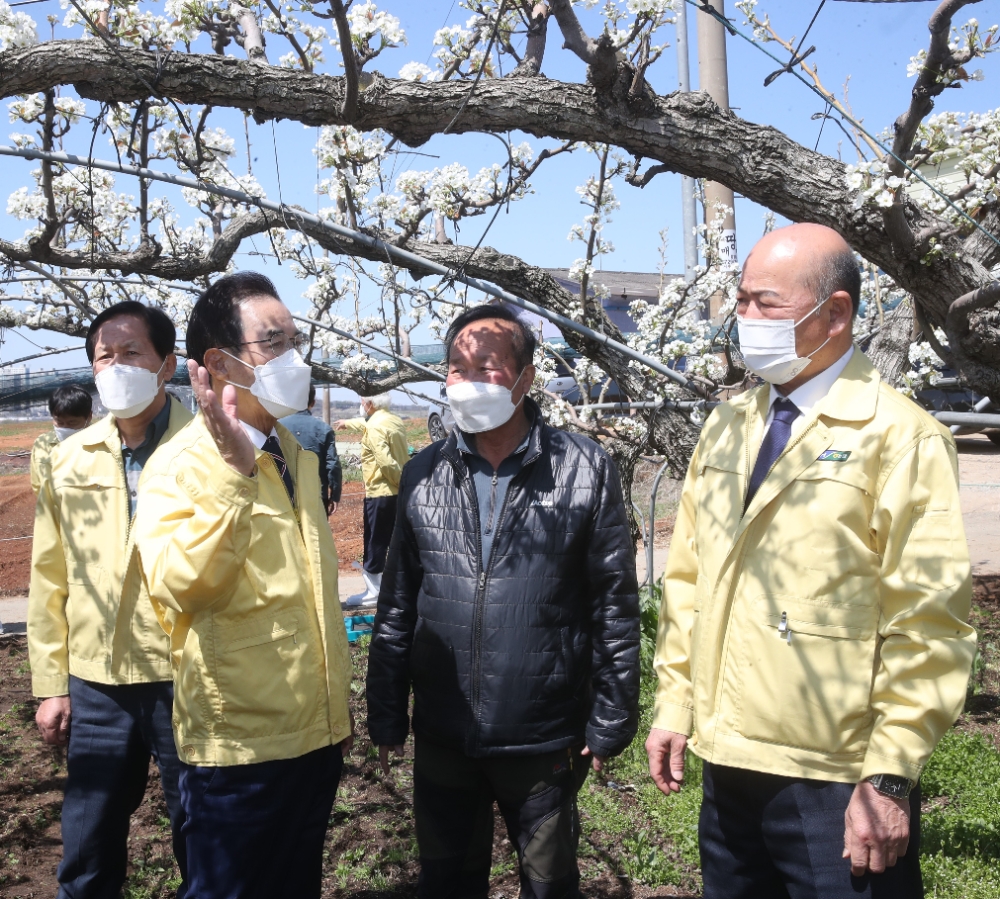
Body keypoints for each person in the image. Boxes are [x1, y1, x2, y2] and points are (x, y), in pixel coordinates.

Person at [645, 223, 977, 899]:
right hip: (729, 761)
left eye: (765, 302)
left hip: (838, 778)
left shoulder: (900, 437)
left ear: (836, 314)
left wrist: (888, 775)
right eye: (740, 299)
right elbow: (688, 579)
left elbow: (929, 622)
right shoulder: (729, 424)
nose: (744, 317)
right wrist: (675, 701)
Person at [366, 304, 640, 899]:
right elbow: (397, 603)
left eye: (486, 368)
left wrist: (612, 714)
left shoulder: (582, 468)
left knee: (548, 884)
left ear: (525, 379)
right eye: (456, 368)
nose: (467, 382)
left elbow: (614, 603)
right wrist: (386, 711)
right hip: (444, 729)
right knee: (446, 881)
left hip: (541, 735)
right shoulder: (423, 473)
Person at [133, 271, 354, 899]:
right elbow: (180, 587)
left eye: (295, 341)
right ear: (221, 363)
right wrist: (233, 478)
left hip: (312, 733)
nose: (295, 358)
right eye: (275, 342)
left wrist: (334, 712)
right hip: (240, 748)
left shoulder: (295, 455)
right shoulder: (180, 465)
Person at [28, 301, 192, 899]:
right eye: (104, 356)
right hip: (97, 681)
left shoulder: (207, 449)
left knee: (199, 827)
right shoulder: (70, 458)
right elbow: (49, 575)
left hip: (187, 674)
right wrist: (52, 683)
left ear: (167, 364)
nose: (116, 366)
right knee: (88, 835)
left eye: (132, 353)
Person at [334, 393, 409, 606]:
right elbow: (367, 424)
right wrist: (348, 423)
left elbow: (385, 461)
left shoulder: (375, 426)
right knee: (395, 541)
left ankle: (374, 592)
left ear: (369, 403)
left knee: (375, 542)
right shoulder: (393, 420)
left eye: (362, 400)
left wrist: (399, 481)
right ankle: (397, 588)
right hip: (396, 495)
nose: (360, 404)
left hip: (380, 492)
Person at [280, 383, 342, 514]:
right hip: (316, 495)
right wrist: (335, 494)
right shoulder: (324, 429)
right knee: (316, 527)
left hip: (284, 496)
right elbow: (332, 464)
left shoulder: (277, 427)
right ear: (313, 402)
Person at [30, 384, 93, 495]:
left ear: (89, 417)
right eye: (59, 422)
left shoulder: (103, 442)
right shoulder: (42, 444)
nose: (65, 428)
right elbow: (38, 485)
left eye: (72, 422)